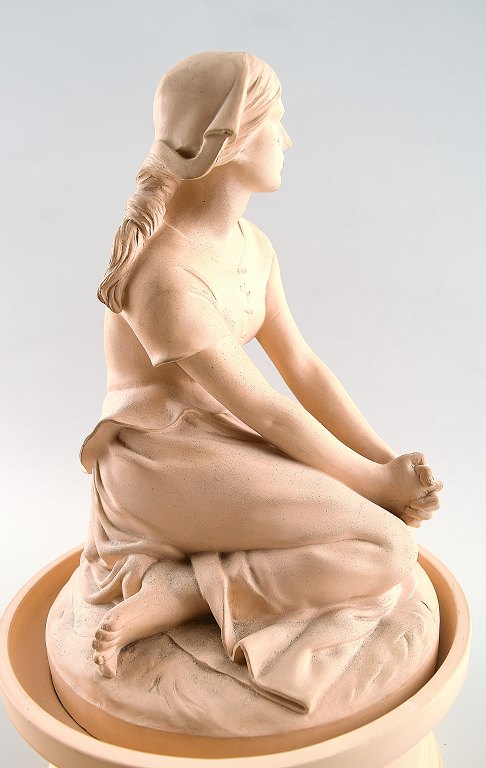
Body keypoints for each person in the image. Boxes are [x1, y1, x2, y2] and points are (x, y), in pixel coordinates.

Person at [78, 51, 442, 683]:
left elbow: (302, 368)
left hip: (219, 439)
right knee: (387, 549)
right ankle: (188, 591)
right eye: (277, 119)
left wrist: (384, 462)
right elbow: (266, 410)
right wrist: (373, 486)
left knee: (380, 535)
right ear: (232, 139)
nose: (288, 139)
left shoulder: (252, 246)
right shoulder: (165, 274)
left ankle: (200, 584)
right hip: (159, 464)